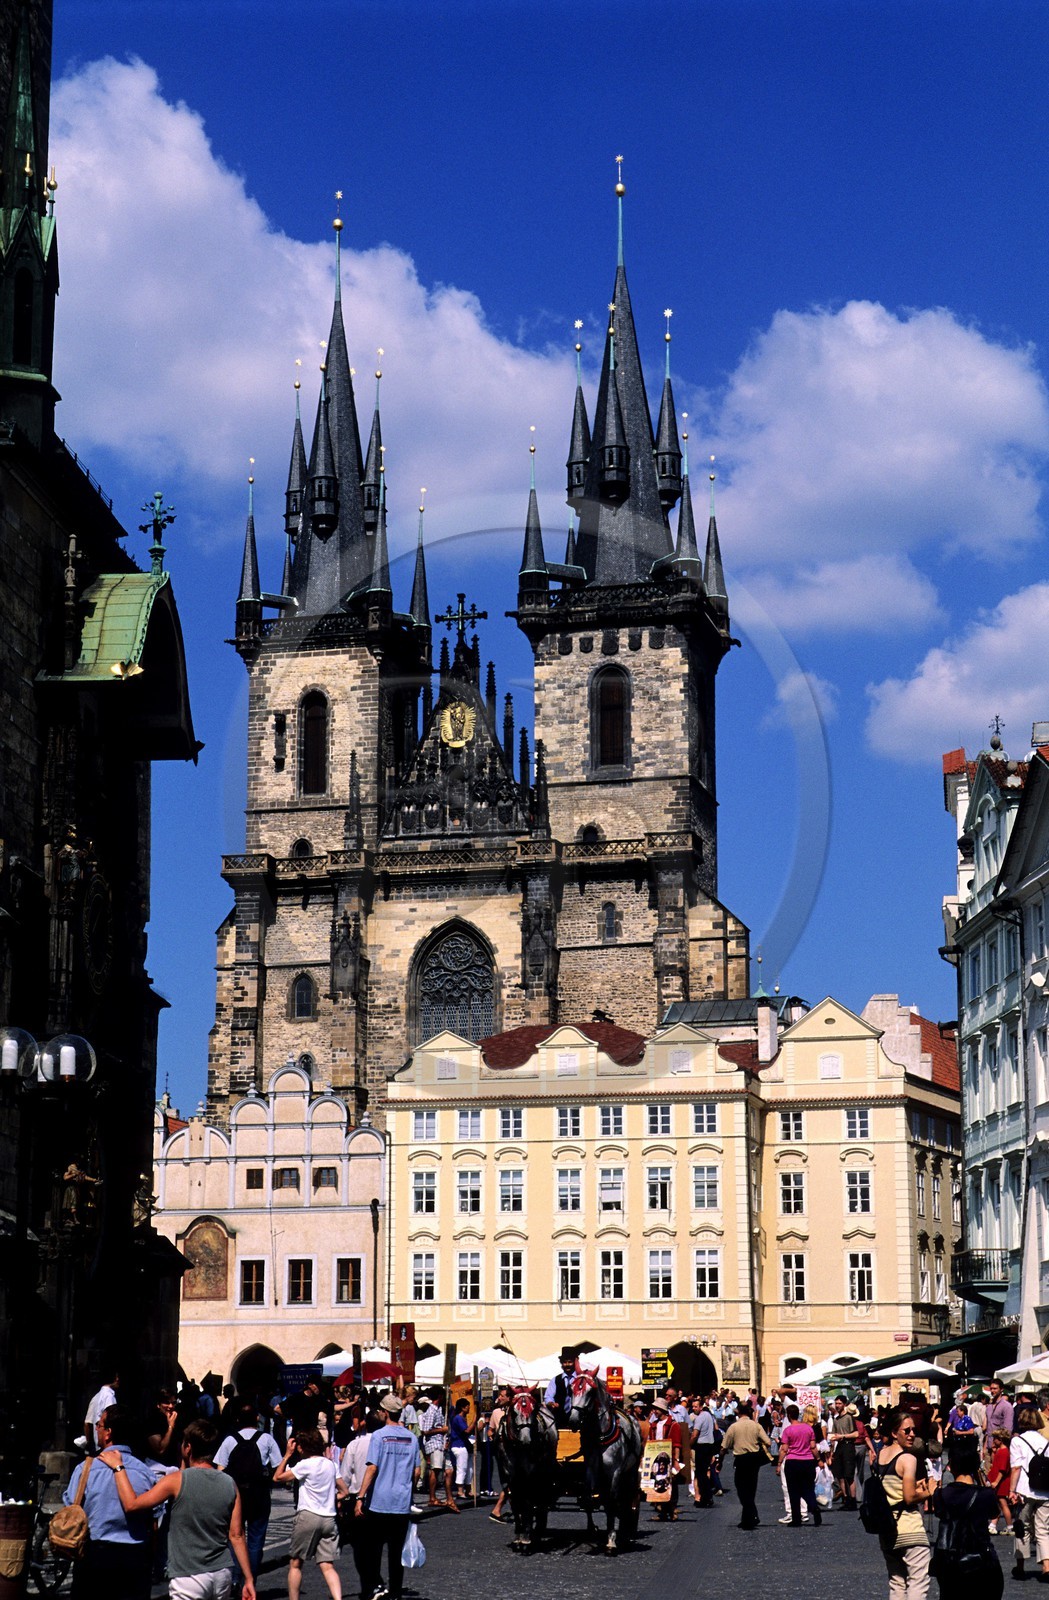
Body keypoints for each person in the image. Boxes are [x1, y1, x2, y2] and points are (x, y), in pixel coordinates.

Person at [101, 1418, 255, 1600]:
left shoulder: (176, 1481)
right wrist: (249, 1579)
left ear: (188, 1447)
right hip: (222, 1573)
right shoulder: (229, 1483)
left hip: (189, 1575)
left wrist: (119, 1468)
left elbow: (132, 1504)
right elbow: (236, 1535)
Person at [63, 1403, 155, 1599]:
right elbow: (155, 1521)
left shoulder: (85, 1470)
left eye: (99, 1425)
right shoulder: (147, 1474)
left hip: (95, 1557)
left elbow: (71, 1508)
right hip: (135, 1558)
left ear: (108, 1433)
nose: (96, 1428)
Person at [355, 1392, 420, 1600]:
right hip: (401, 1502)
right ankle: (395, 1592)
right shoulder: (411, 1437)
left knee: (373, 1551)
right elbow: (417, 1471)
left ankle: (373, 1588)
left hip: (379, 1502)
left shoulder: (379, 1435)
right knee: (396, 1553)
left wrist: (360, 1496)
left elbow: (372, 1468)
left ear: (384, 1412)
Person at [214, 1400, 283, 1592]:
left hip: (235, 1494)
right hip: (259, 1493)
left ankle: (235, 1578)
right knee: (256, 1539)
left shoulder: (229, 1440)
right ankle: (250, 1580)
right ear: (257, 1418)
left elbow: (220, 1469)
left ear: (237, 1419)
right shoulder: (266, 1439)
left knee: (235, 1536)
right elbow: (277, 1468)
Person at [931, 1437, 1003, 1600]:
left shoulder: (941, 1495)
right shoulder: (985, 1495)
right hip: (982, 1558)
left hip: (951, 1560)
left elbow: (939, 1512)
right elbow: (994, 1513)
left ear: (950, 1466)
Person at [876, 1406, 932, 1598]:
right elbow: (908, 1498)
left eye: (914, 1430)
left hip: (887, 1528)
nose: (911, 1435)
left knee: (897, 1582)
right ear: (893, 1433)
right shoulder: (908, 1458)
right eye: (906, 1431)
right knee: (918, 1580)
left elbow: (892, 1488)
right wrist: (927, 1492)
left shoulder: (881, 1455)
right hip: (909, 1527)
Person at [1009, 1401, 1049, 1582]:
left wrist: (1011, 1490)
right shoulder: (1046, 1442)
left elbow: (1016, 1468)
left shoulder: (1018, 1441)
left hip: (1024, 1490)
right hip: (1045, 1490)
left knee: (1022, 1527)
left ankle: (1020, 1566)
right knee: (1044, 1529)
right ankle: (1047, 1566)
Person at [720, 1401, 771, 1530]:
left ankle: (751, 1516)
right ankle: (747, 1518)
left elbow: (724, 1447)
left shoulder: (733, 1427)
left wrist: (719, 1461)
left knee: (741, 1489)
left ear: (739, 1413)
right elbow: (768, 1442)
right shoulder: (756, 1425)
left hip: (741, 1459)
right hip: (754, 1460)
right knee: (751, 1488)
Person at [777, 1402, 821, 1528]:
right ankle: (813, 1507)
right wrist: (818, 1459)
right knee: (808, 1488)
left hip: (793, 1462)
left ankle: (796, 1519)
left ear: (789, 1416)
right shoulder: (808, 1428)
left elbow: (784, 1449)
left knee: (793, 1491)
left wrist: (779, 1463)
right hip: (808, 1462)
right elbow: (813, 1447)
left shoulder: (788, 1430)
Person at [419, 1389, 456, 1509]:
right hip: (434, 1443)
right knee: (435, 1469)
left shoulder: (440, 1410)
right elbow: (425, 1430)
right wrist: (441, 1430)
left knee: (448, 1470)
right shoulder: (431, 1411)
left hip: (442, 1443)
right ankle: (432, 1497)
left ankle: (448, 1498)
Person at [648, 1396, 682, 1521]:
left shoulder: (673, 1425)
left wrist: (676, 1460)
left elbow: (677, 1444)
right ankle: (662, 1511)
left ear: (662, 1409)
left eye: (656, 1409)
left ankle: (672, 1510)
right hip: (656, 1458)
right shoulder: (654, 1425)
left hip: (669, 1458)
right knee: (658, 1484)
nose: (654, 1411)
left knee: (671, 1485)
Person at [830, 1395, 859, 1509]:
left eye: (839, 1403)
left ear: (844, 1405)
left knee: (849, 1475)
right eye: (836, 1403)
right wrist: (831, 1451)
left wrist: (843, 1436)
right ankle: (845, 1498)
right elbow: (833, 1435)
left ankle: (853, 1500)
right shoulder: (836, 1419)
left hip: (848, 1446)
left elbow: (856, 1434)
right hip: (839, 1447)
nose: (837, 1405)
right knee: (840, 1474)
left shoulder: (848, 1418)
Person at [84, 1368, 119, 1454]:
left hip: (97, 1445)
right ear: (115, 1379)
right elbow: (111, 1419)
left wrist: (90, 1443)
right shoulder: (109, 1396)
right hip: (108, 1444)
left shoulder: (96, 1397)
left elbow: (87, 1423)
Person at [691, 1396, 717, 1508]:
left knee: (700, 1474)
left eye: (696, 1406)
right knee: (704, 1472)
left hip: (701, 1446)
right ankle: (708, 1496)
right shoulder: (709, 1415)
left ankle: (706, 1497)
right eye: (692, 1406)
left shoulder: (699, 1418)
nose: (694, 1408)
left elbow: (695, 1434)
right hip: (710, 1445)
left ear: (701, 1407)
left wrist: (689, 1445)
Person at [543, 1349, 578, 1427]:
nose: (567, 1364)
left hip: (578, 1419)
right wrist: (551, 1403)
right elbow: (548, 1396)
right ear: (561, 1363)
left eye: (570, 1362)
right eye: (565, 1362)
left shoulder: (580, 1379)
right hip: (559, 1419)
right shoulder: (555, 1380)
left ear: (575, 1363)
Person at [448, 1397, 473, 1501]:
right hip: (458, 1445)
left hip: (463, 1445)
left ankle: (467, 1489)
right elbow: (466, 1431)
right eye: (467, 1407)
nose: (468, 1409)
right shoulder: (458, 1418)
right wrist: (475, 1421)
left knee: (468, 1469)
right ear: (463, 1408)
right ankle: (460, 1491)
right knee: (461, 1468)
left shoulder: (461, 1418)